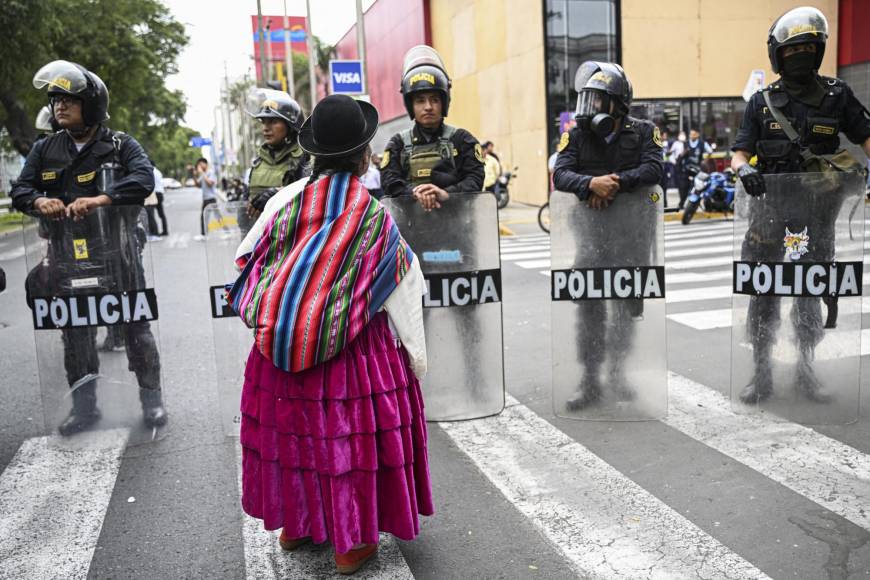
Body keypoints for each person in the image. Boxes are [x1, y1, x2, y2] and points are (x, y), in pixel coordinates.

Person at [229, 94, 433, 575]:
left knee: (294, 437)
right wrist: (415, 361)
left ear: (315, 154)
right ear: (364, 157)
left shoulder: (285, 199)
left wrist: (285, 318)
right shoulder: (373, 215)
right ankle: (351, 542)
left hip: (280, 352)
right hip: (352, 355)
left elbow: (246, 259)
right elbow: (404, 288)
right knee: (347, 443)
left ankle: (297, 526)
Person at [11, 60, 167, 435]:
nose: (59, 106)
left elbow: (143, 180)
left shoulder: (120, 144)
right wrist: (36, 201)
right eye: (55, 100)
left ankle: (152, 401)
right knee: (76, 335)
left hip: (120, 257)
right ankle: (84, 409)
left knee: (136, 330)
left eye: (69, 99)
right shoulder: (45, 148)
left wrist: (102, 199)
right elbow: (19, 189)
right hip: (66, 259)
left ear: (91, 104)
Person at [731, 6, 870, 404]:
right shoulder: (761, 102)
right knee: (763, 296)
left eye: (807, 49)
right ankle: (761, 374)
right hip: (766, 217)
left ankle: (806, 369)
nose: (800, 56)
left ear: (819, 51)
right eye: (792, 51)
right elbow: (739, 153)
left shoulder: (836, 95)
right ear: (778, 56)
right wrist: (743, 172)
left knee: (809, 295)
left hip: (816, 216)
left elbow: (866, 137)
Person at [553, 61, 663, 410]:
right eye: (587, 100)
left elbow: (655, 167)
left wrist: (614, 183)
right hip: (590, 240)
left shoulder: (644, 130)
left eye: (598, 101)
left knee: (624, 313)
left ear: (617, 104)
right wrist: (589, 185)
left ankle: (617, 372)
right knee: (590, 313)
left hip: (631, 239)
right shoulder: (578, 133)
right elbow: (561, 174)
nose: (590, 109)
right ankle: (590, 380)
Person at [381, 45, 484, 207]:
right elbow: (389, 182)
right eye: (420, 100)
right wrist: (414, 192)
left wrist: (447, 194)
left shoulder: (462, 140)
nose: (428, 106)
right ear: (411, 105)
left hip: (457, 224)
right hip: (411, 228)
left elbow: (475, 179)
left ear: (444, 103)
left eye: (434, 99)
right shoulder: (398, 144)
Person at [240, 89, 310, 235]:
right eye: (263, 122)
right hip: (256, 240)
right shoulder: (258, 161)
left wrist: (277, 193)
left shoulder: (304, 158)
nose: (266, 128)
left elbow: (311, 194)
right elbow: (245, 201)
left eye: (273, 122)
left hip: (288, 239)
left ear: (290, 126)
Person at [194, 157, 217, 239]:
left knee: (217, 216)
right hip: (205, 199)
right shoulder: (203, 174)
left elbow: (210, 183)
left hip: (211, 198)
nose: (199, 166)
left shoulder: (210, 172)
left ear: (205, 164)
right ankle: (203, 235)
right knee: (203, 217)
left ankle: (226, 231)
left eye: (200, 164)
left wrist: (202, 174)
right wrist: (194, 175)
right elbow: (197, 185)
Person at [145, 165, 169, 239]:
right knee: (161, 214)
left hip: (155, 194)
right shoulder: (158, 172)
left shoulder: (151, 171)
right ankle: (165, 231)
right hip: (160, 193)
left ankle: (154, 233)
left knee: (150, 213)